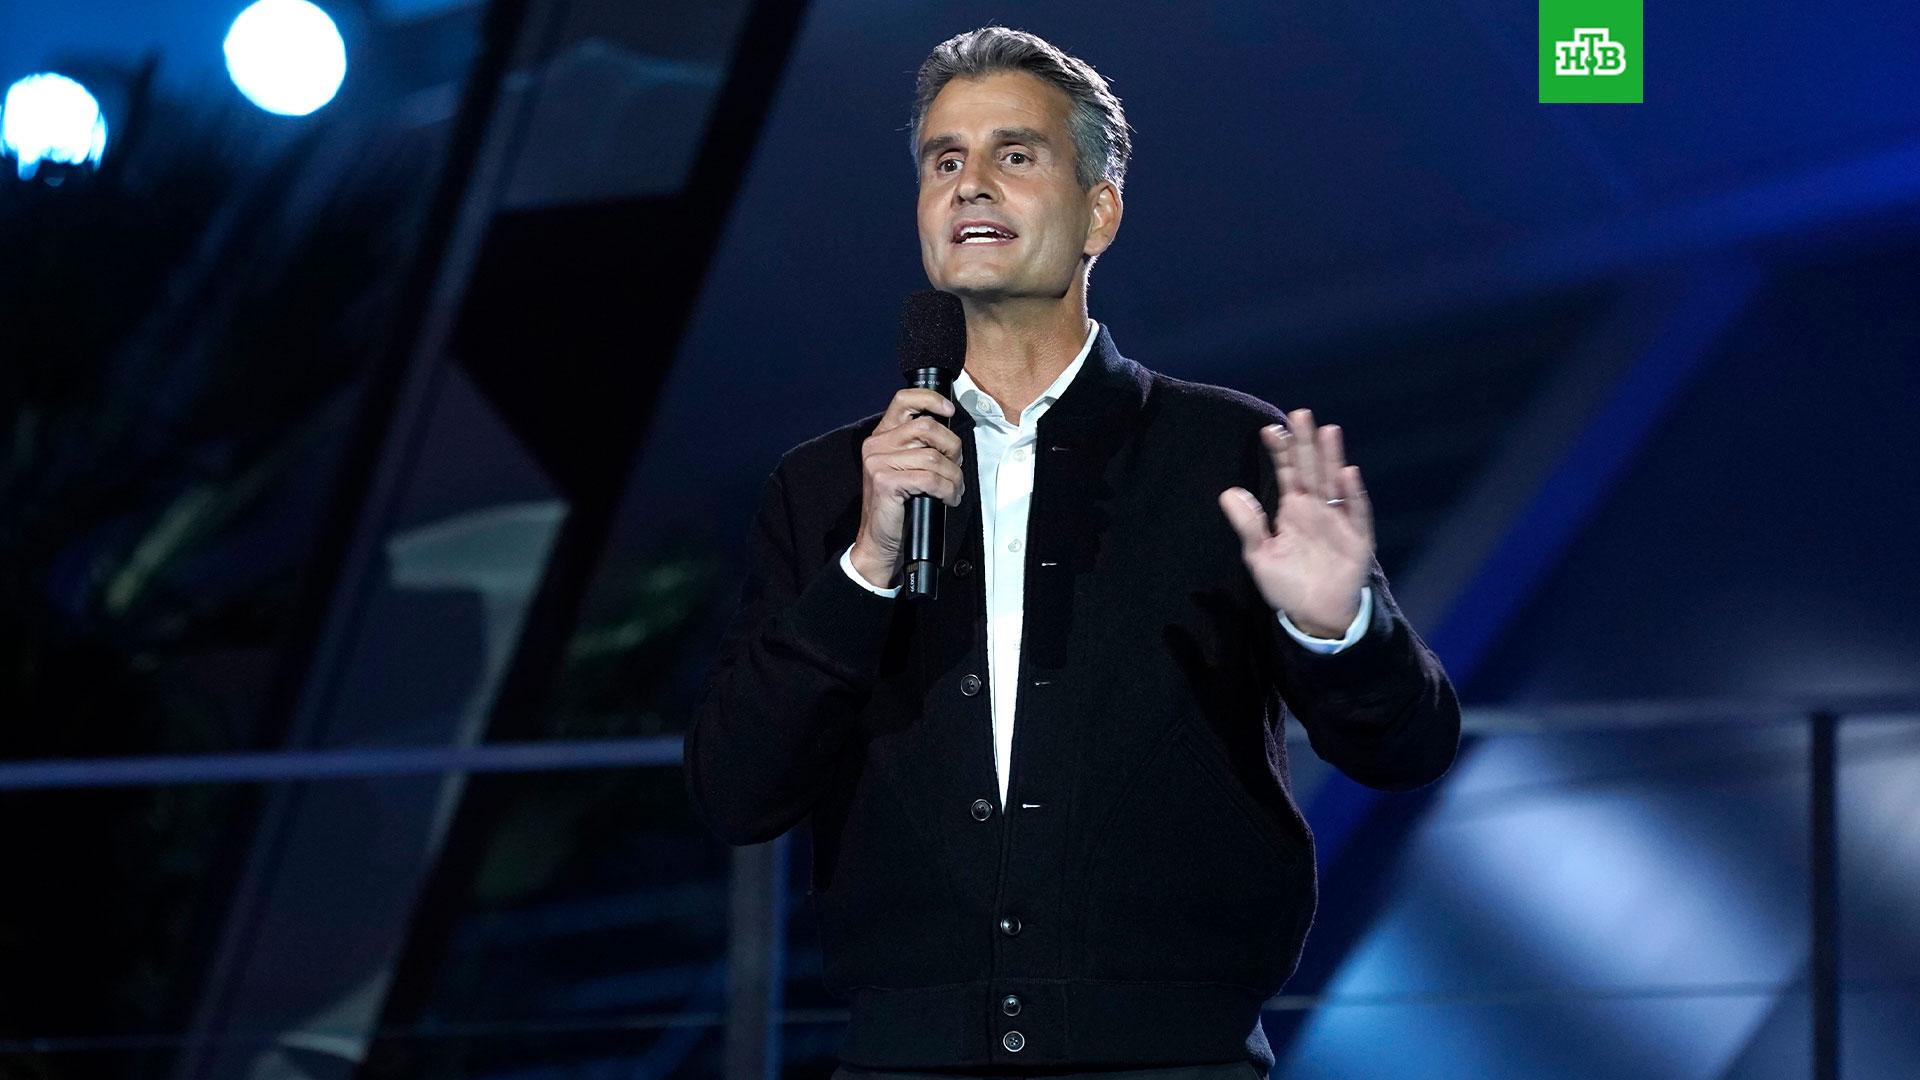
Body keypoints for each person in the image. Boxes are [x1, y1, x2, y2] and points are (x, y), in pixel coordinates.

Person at [682, 25, 1461, 1080]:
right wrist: (863, 570)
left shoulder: (1227, 450)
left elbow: (1407, 750)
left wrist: (1338, 630)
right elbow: (736, 792)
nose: (969, 185)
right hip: (909, 1060)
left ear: (1100, 211)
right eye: (944, 161)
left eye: (1014, 154)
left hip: (1172, 1059)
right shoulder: (827, 486)